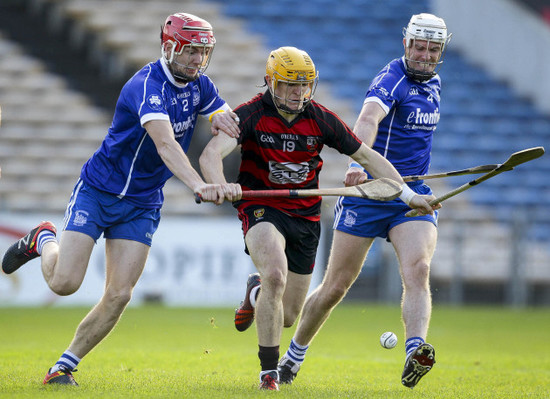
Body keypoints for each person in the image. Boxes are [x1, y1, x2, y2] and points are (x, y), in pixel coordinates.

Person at [0, 12, 241, 386]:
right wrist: (198, 184)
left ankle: (64, 367)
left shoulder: (202, 87)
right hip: (99, 191)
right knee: (65, 283)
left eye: (203, 52)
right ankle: (44, 237)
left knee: (120, 294)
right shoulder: (146, 85)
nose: (197, 60)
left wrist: (218, 173)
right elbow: (165, 144)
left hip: (143, 203)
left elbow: (229, 127)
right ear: (169, 46)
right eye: (191, 50)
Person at [199, 46, 435, 390]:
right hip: (261, 209)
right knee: (276, 275)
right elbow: (210, 154)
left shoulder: (321, 119)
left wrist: (407, 195)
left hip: (305, 217)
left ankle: (256, 293)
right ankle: (269, 373)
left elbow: (369, 158)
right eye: (290, 85)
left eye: (305, 85)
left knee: (290, 314)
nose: (298, 93)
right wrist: (219, 184)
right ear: (270, 82)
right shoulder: (249, 115)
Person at [277, 13, 452, 389]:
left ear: (441, 50)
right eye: (419, 47)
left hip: (412, 195)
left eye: (432, 49)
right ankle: (293, 357)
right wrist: (359, 161)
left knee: (418, 270)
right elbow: (368, 119)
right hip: (371, 192)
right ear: (406, 44)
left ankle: (415, 351)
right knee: (335, 287)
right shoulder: (392, 78)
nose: (424, 55)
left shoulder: (435, 83)